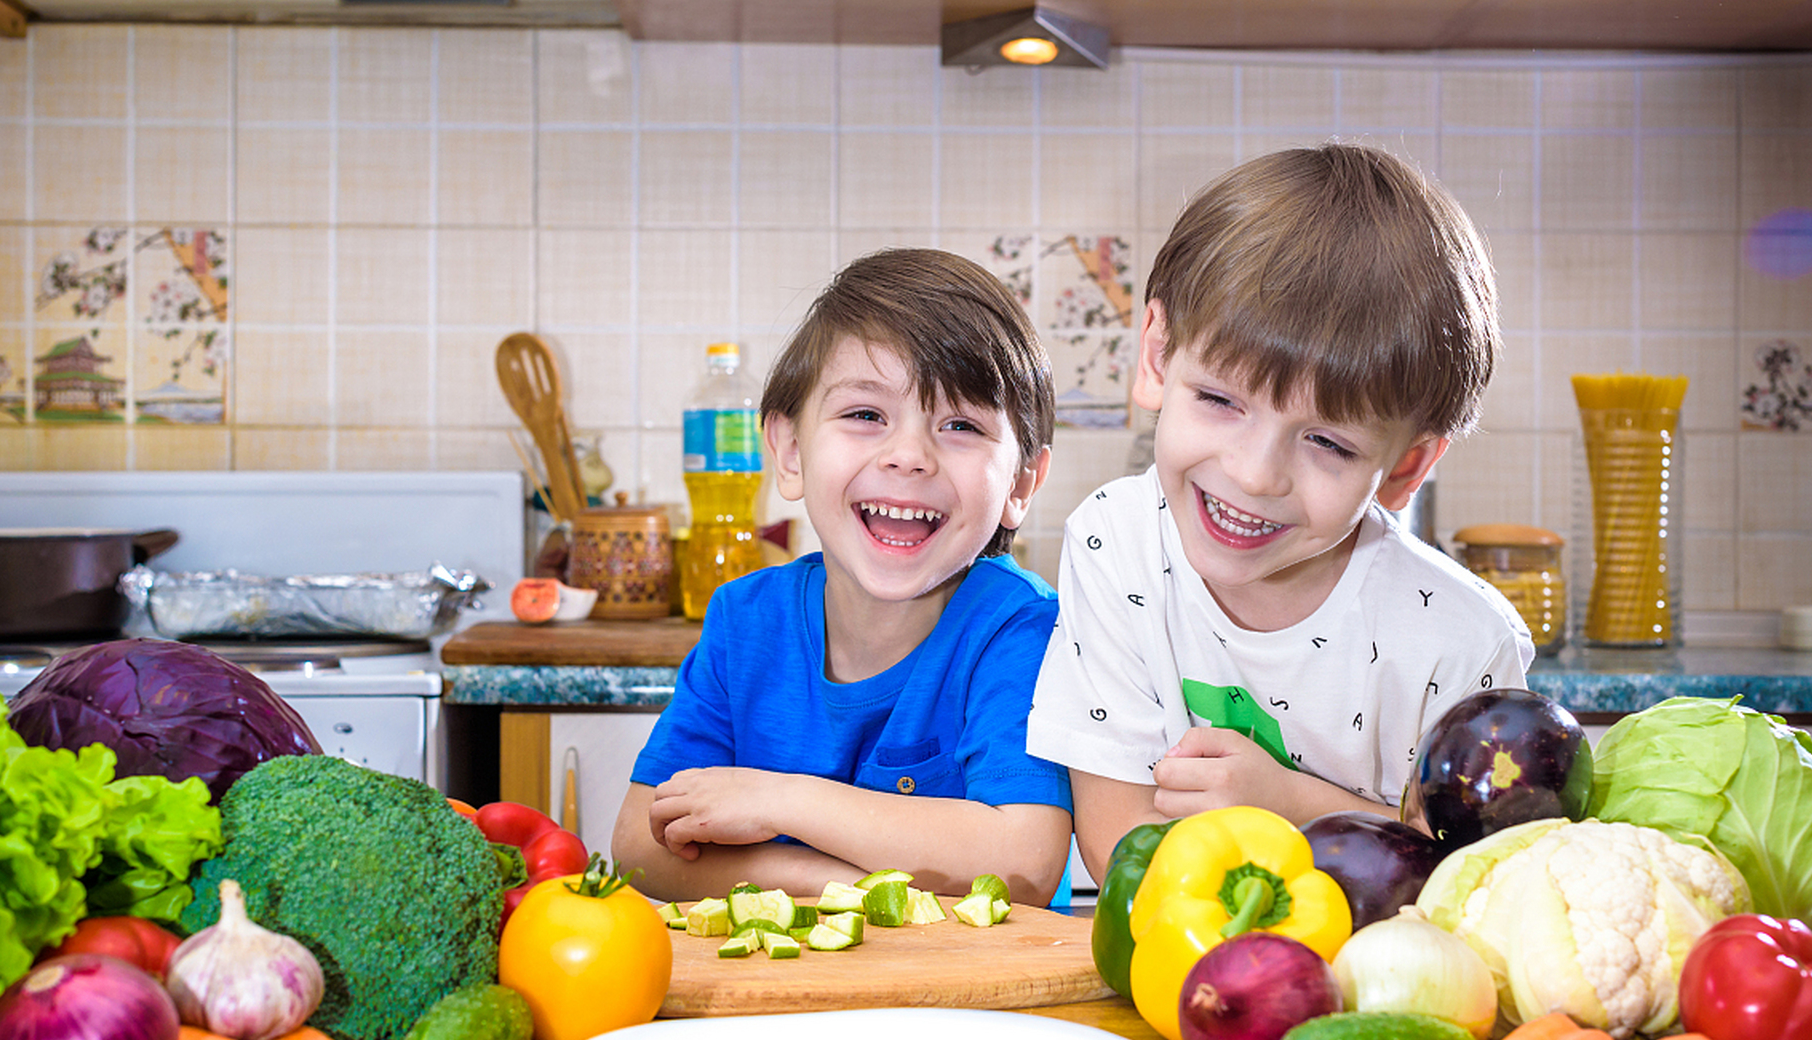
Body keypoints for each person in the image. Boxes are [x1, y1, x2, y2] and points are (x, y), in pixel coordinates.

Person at [1027, 143, 1534, 884]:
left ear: (1405, 469)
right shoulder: (1116, 542)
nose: (1255, 475)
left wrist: (1290, 803)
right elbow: (1117, 846)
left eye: (1327, 442)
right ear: (1157, 357)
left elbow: (1477, 883)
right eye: (1221, 401)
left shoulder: (1465, 643)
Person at [613, 248, 1073, 906]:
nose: (910, 456)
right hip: (783, 1003)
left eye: (961, 425)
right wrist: (828, 883)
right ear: (791, 451)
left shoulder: (1019, 627)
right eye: (865, 415)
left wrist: (779, 801)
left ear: (1021, 484)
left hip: (967, 1004)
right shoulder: (746, 620)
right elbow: (638, 847)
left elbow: (1022, 864)